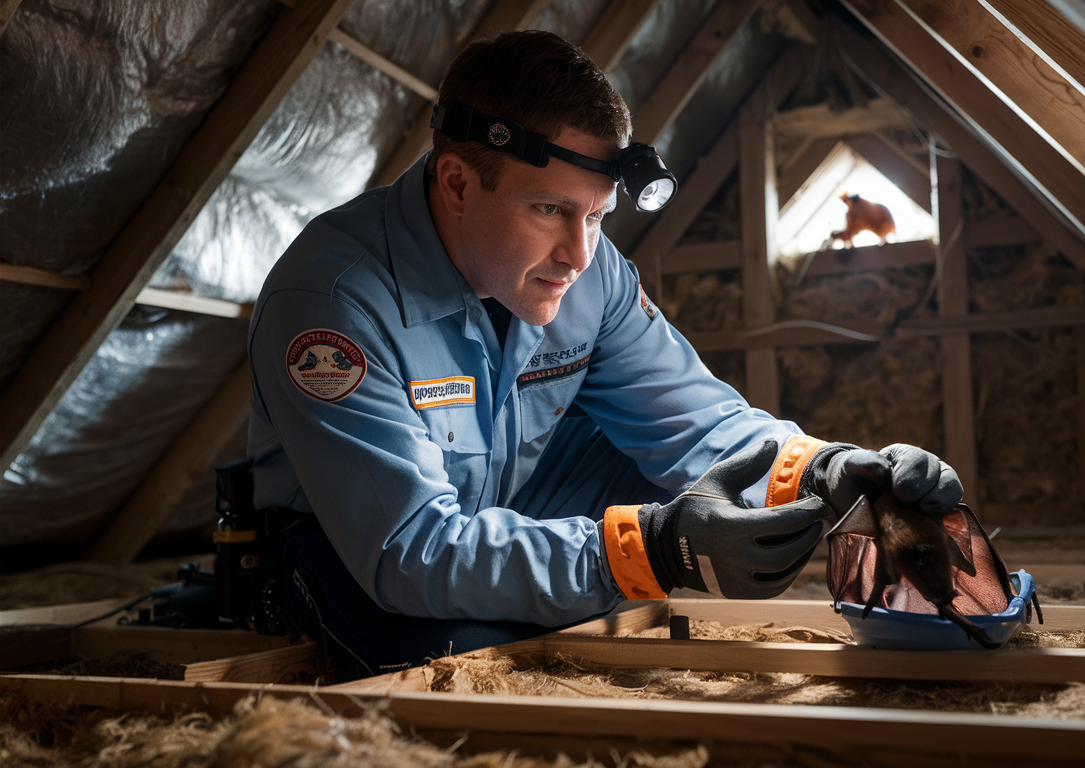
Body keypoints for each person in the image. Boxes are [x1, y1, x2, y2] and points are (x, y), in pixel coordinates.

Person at [245, 30, 961, 677]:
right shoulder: (334, 302)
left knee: (683, 493)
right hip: (348, 549)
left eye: (596, 215)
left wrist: (826, 469)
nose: (579, 255)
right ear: (457, 183)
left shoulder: (592, 273)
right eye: (550, 209)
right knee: (468, 651)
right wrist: (646, 551)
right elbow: (411, 548)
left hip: (505, 503)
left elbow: (699, 424)